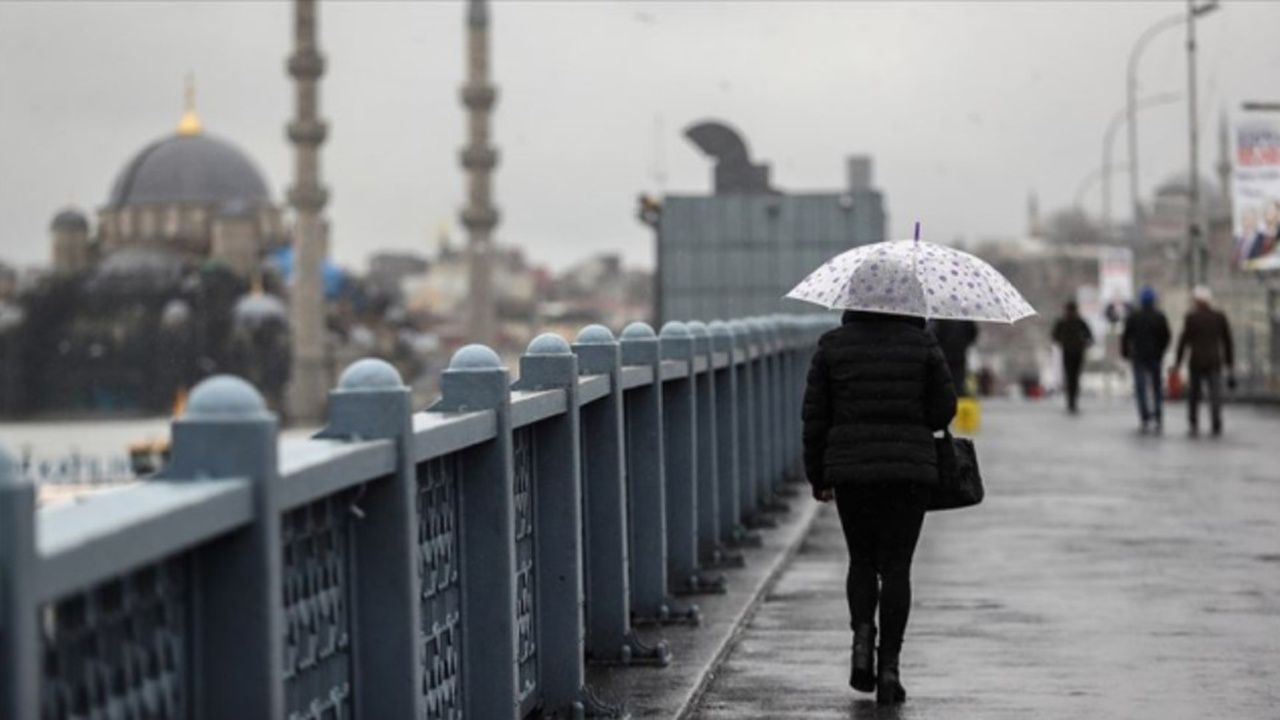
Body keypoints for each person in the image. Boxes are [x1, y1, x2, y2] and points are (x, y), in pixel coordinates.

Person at [802, 310, 957, 705]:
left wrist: (817, 476)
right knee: (897, 567)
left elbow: (815, 418)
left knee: (861, 560)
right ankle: (889, 669)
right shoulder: (923, 343)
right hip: (909, 470)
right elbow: (944, 410)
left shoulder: (832, 346)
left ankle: (861, 638)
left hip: (851, 470)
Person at [1175, 285, 1235, 436]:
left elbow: (1184, 341)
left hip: (1196, 361)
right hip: (1214, 360)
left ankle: (1193, 421)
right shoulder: (1219, 317)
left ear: (1197, 301)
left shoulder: (1191, 318)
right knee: (1215, 394)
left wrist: (1178, 362)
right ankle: (1216, 422)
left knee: (1194, 394)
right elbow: (1227, 341)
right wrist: (1229, 363)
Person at [1121, 286, 1171, 433]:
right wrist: (1161, 351)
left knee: (1141, 388)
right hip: (1155, 356)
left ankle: (1144, 416)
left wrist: (1126, 353)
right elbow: (1166, 336)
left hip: (1139, 357)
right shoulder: (1159, 316)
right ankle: (1158, 415)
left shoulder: (1134, 316)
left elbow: (1126, 336)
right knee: (1156, 387)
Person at [1051, 301, 1093, 413]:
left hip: (1074, 352)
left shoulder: (1075, 322)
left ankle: (1072, 401)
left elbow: (1089, 336)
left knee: (1072, 377)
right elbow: (1055, 336)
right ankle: (1071, 401)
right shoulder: (1069, 322)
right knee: (1072, 377)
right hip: (1070, 352)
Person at [929, 319, 978, 396]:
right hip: (959, 356)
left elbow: (932, 334)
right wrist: (963, 343)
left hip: (943, 356)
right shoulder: (965, 318)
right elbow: (973, 334)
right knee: (957, 384)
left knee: (942, 383)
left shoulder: (939, 317)